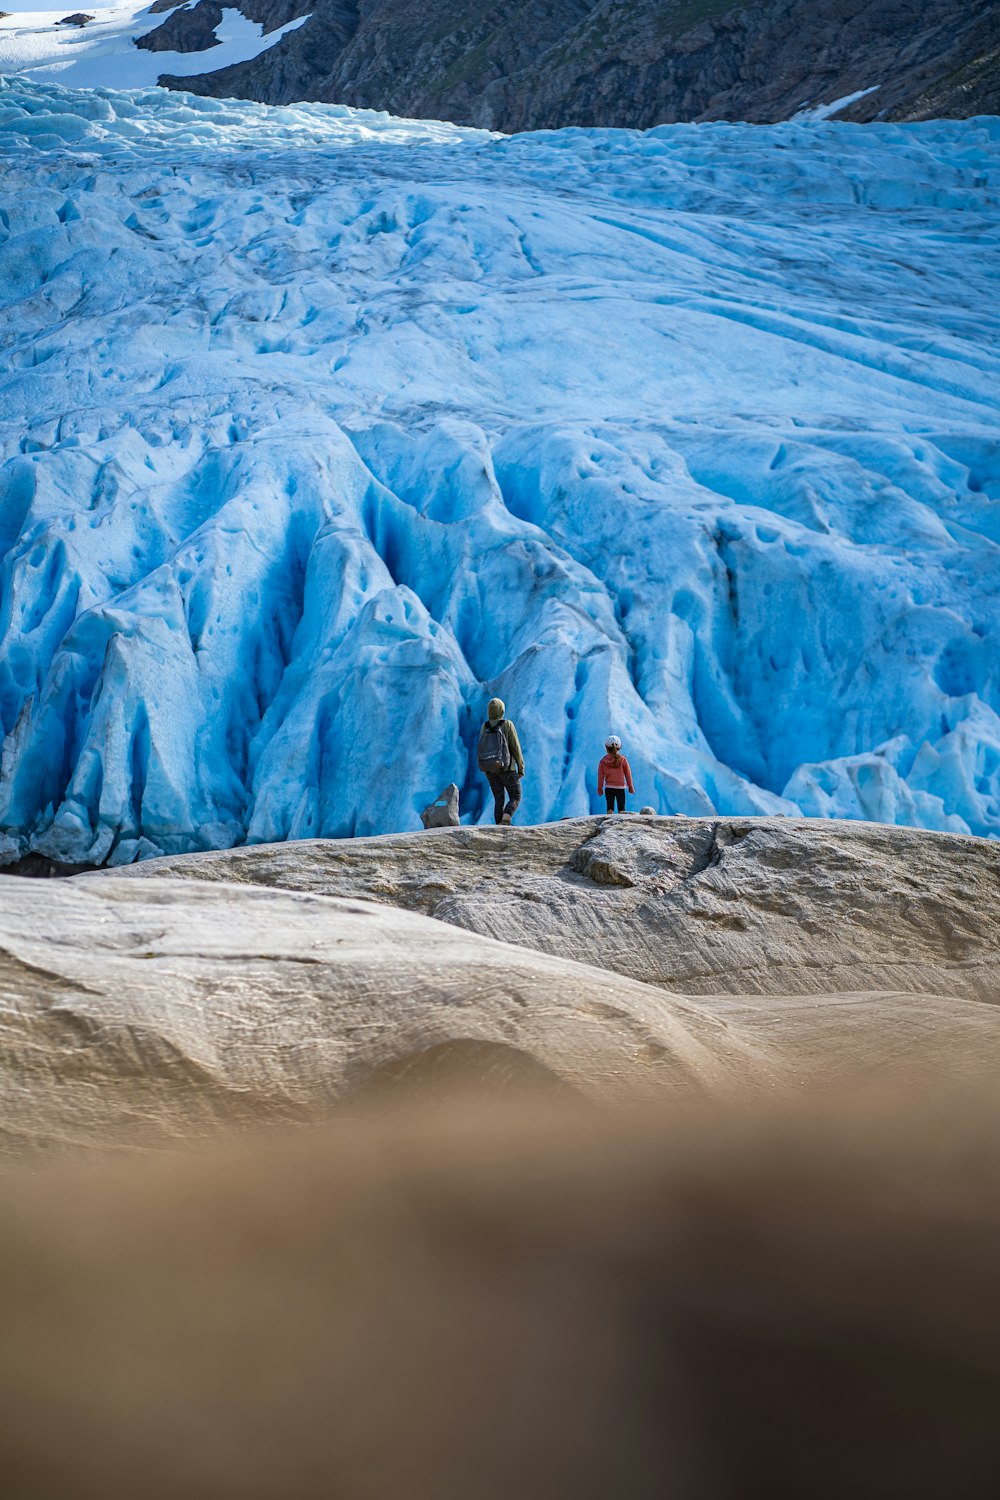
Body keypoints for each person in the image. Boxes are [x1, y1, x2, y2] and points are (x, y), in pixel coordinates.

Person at [477, 697, 524, 826]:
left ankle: (499, 826)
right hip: (507, 769)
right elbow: (515, 747)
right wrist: (520, 767)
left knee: (499, 799)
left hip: (491, 770)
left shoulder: (484, 726)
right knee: (515, 797)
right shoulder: (507, 724)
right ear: (502, 710)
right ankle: (506, 820)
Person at [597, 735, 634, 813]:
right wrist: (630, 786)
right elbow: (628, 774)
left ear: (606, 747)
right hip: (620, 788)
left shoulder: (603, 761)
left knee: (610, 809)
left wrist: (600, 788)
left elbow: (600, 776)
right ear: (619, 747)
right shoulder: (623, 760)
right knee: (621, 809)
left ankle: (609, 823)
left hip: (609, 788)